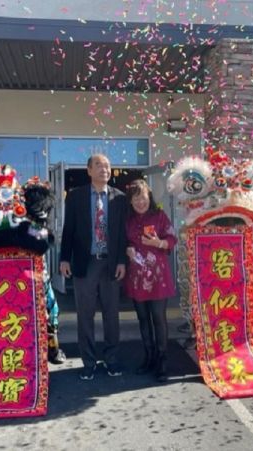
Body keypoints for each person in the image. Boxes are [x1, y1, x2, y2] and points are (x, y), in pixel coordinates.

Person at [60, 154, 127, 380]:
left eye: (107, 166)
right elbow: (68, 228)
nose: (104, 169)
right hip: (85, 262)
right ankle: (88, 362)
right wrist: (64, 258)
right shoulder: (76, 197)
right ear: (89, 170)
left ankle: (112, 360)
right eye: (98, 165)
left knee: (111, 315)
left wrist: (121, 261)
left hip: (110, 263)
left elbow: (122, 234)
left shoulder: (119, 198)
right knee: (85, 316)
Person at [124, 180, 176, 382]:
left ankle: (162, 359)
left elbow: (172, 238)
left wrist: (159, 242)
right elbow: (124, 240)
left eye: (143, 197)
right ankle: (149, 357)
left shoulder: (159, 216)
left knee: (158, 318)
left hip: (157, 276)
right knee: (143, 318)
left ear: (149, 197)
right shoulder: (127, 220)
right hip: (137, 276)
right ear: (131, 201)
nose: (140, 202)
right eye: (136, 198)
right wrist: (127, 247)